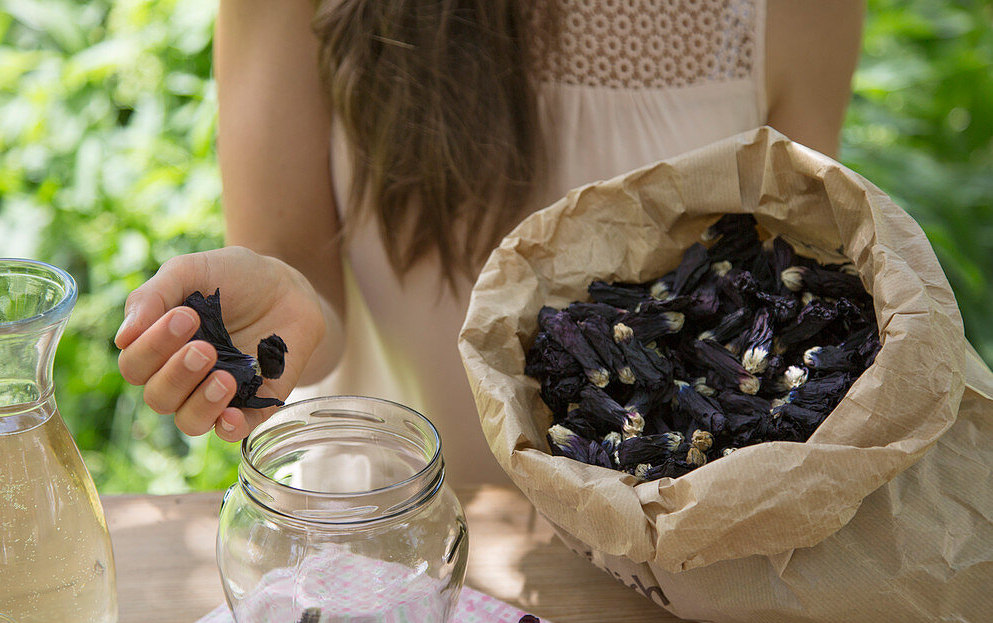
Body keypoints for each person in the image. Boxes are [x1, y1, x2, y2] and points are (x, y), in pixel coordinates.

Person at [115, 0, 864, 487]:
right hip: (394, 558)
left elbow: (787, 302)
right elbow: (304, 296)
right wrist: (269, 336)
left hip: (682, 576)